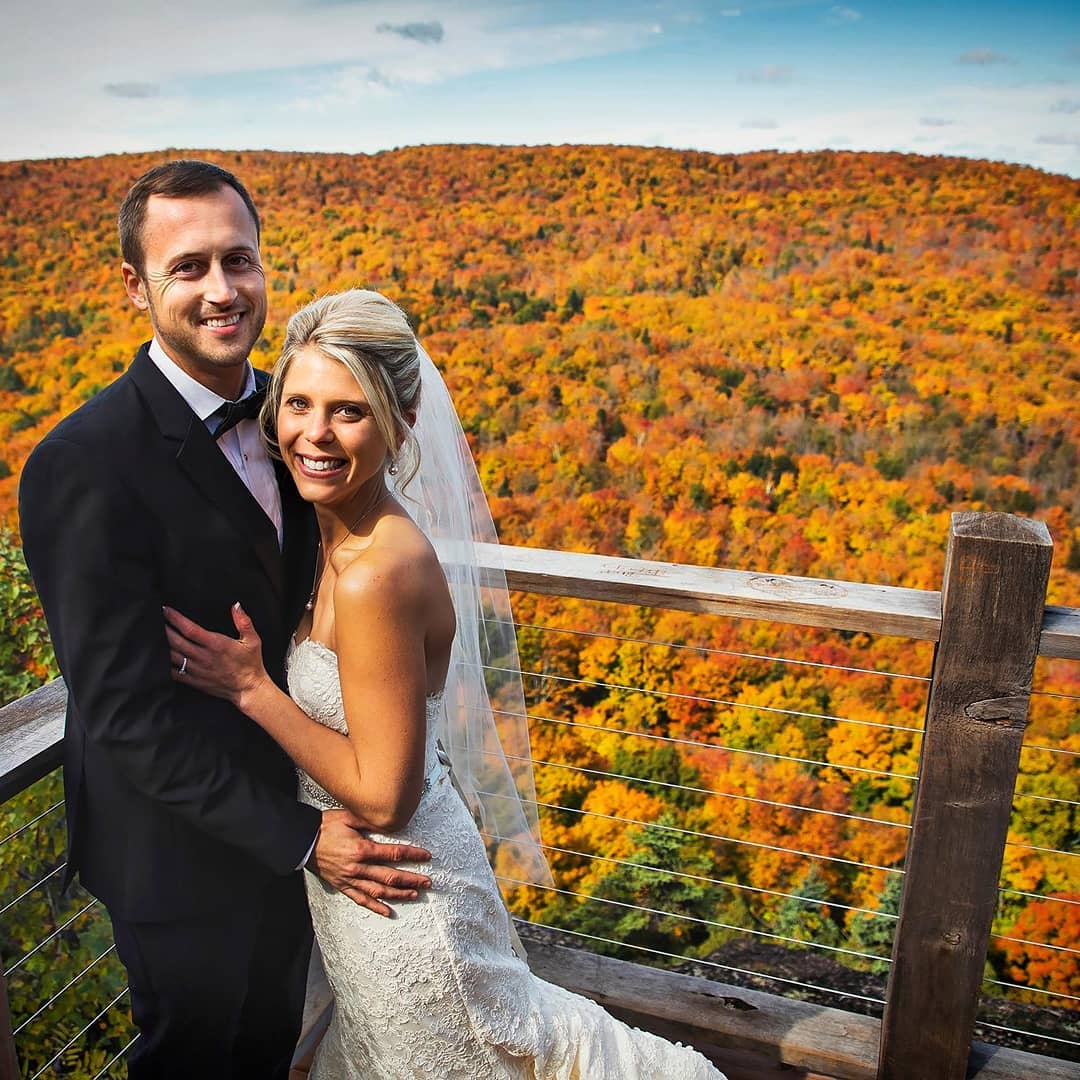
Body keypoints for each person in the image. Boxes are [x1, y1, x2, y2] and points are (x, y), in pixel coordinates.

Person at [164, 288, 727, 1079]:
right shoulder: (332, 537)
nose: (314, 433)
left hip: (403, 905)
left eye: (349, 412)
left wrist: (254, 690)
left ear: (399, 424)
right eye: (298, 403)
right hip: (362, 892)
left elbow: (383, 797)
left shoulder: (377, 574)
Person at [17, 162, 433, 1080]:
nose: (221, 289)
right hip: (183, 860)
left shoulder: (299, 416)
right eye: (188, 266)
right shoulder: (83, 465)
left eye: (238, 260)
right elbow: (123, 716)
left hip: (309, 820)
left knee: (270, 1050)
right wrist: (301, 838)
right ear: (135, 286)